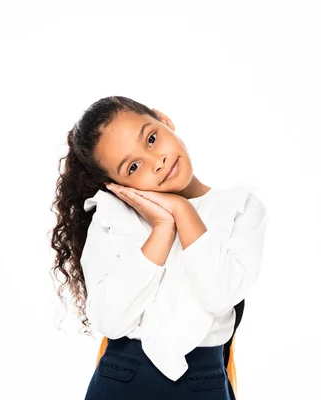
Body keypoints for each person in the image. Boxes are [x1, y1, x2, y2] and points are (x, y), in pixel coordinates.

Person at [50, 96, 267, 399]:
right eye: (134, 166)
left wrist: (183, 211)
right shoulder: (112, 216)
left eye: (151, 138)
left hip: (203, 381)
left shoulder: (240, 209)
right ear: (117, 184)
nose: (158, 162)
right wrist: (162, 230)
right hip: (120, 377)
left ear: (164, 120)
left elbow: (221, 296)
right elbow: (110, 320)